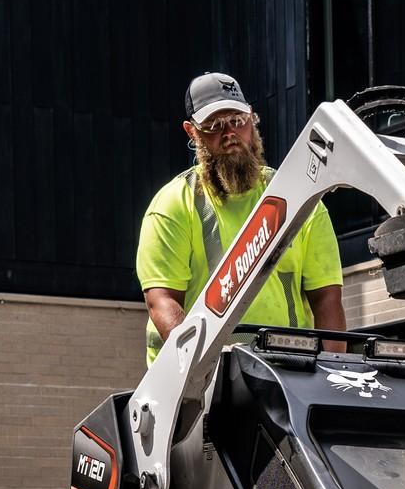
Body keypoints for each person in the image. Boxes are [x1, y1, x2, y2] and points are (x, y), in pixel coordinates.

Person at [136, 72, 347, 364]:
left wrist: (332, 373)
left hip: (285, 369)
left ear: (252, 118)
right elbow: (162, 301)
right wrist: (199, 369)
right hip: (200, 381)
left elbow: (326, 298)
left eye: (237, 121)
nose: (229, 134)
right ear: (192, 131)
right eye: (213, 125)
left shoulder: (297, 198)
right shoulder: (174, 205)